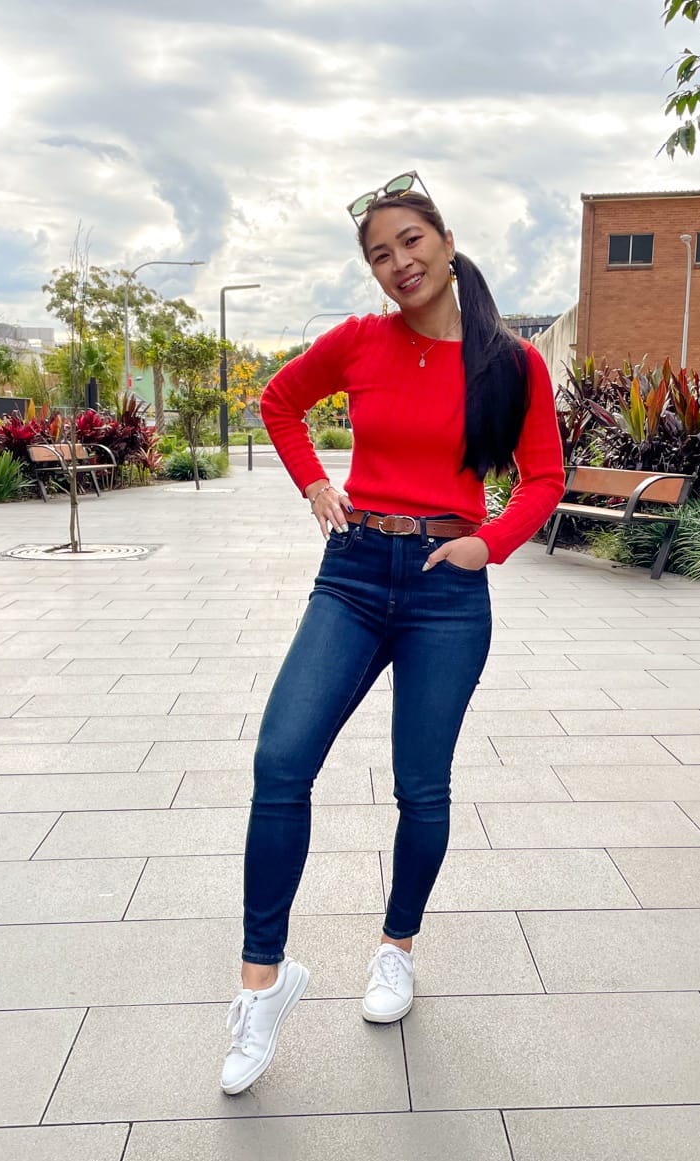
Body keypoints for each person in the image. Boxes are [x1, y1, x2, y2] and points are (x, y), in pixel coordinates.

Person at [220, 172, 565, 1095]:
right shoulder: (359, 343)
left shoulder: (511, 363)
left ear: (446, 244)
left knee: (422, 785)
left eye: (411, 242)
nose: (398, 263)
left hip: (446, 589)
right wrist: (313, 483)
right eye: (379, 254)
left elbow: (541, 480)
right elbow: (278, 403)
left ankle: (397, 947)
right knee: (281, 760)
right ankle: (263, 984)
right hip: (354, 572)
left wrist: (483, 548)